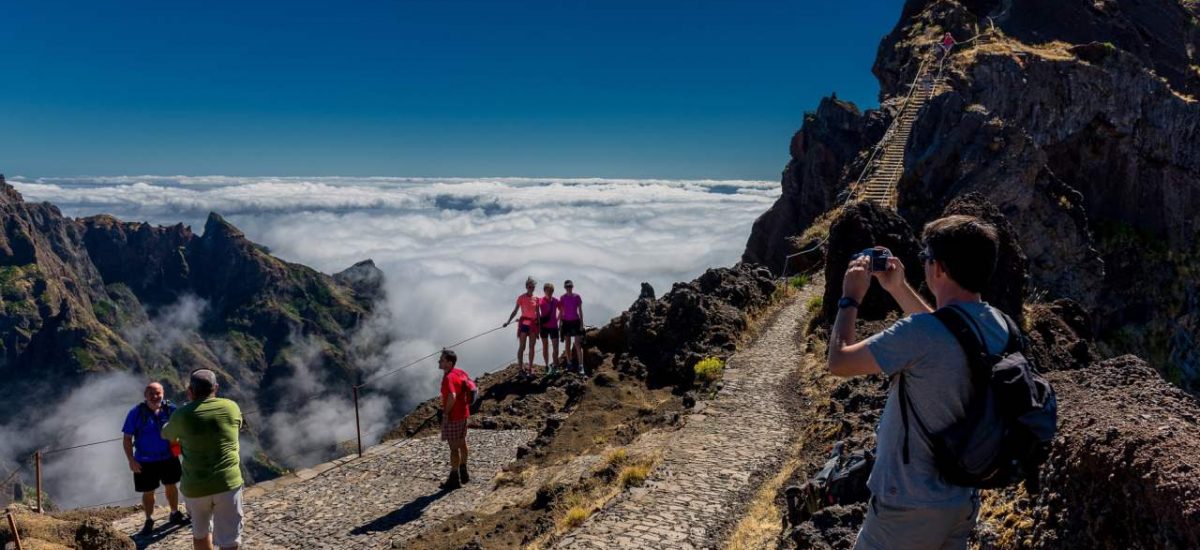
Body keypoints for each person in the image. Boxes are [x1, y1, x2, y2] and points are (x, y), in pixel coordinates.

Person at [826, 215, 1008, 550]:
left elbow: (839, 362)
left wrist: (850, 298)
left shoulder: (919, 335)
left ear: (937, 269)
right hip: (962, 499)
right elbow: (949, 331)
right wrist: (897, 287)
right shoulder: (999, 325)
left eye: (926, 259)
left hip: (908, 504)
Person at [162, 369, 244, 550]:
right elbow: (237, 425)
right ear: (216, 387)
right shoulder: (231, 407)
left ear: (190, 390)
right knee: (230, 540)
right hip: (227, 483)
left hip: (195, 486)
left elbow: (167, 434)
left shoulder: (181, 415)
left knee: (200, 534)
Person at [122, 381, 187, 536]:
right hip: (144, 461)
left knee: (171, 485)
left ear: (163, 394)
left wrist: (181, 451)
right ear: (145, 395)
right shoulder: (135, 413)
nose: (155, 396)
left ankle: (174, 512)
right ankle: (149, 519)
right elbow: (126, 439)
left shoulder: (171, 409)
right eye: (151, 393)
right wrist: (131, 460)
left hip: (168, 457)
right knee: (148, 491)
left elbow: (182, 431)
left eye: (158, 393)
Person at [438, 350, 473, 490]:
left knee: (453, 448)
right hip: (464, 413)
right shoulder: (461, 372)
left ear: (449, 363)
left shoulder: (449, 378)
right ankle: (464, 472)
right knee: (462, 443)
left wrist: (445, 413)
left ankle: (454, 478)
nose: (439, 361)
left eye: (442, 359)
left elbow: (452, 395)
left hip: (453, 417)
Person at [504, 276, 540, 377]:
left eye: (532, 287)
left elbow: (538, 314)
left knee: (531, 347)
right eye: (529, 287)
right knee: (522, 346)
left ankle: (530, 368)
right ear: (526, 287)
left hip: (533, 323)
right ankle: (520, 369)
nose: (531, 288)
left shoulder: (537, 299)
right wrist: (508, 321)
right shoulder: (521, 297)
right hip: (524, 322)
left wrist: (539, 327)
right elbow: (515, 311)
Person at [558, 279, 584, 373]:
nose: (569, 288)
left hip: (576, 322)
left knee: (577, 344)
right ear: (565, 287)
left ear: (572, 287)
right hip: (566, 322)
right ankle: (569, 363)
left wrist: (582, 324)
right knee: (567, 344)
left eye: (570, 286)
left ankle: (581, 366)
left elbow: (580, 311)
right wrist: (560, 325)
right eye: (567, 286)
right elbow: (561, 311)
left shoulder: (577, 297)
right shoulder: (562, 298)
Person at [538, 282, 561, 376]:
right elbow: (535, 312)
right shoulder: (540, 301)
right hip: (544, 327)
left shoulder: (556, 301)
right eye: (548, 291)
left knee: (556, 348)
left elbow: (562, 311)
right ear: (544, 291)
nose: (550, 292)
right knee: (545, 347)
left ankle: (555, 366)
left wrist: (557, 319)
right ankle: (547, 366)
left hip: (554, 326)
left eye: (551, 291)